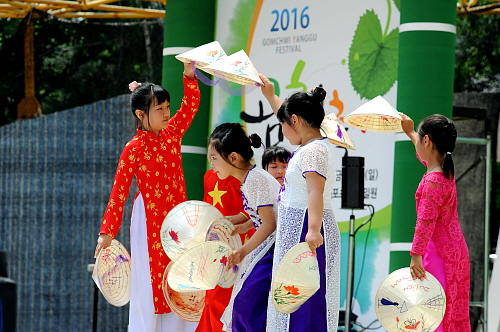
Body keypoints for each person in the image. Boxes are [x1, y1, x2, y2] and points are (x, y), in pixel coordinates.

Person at [93, 63, 200, 332]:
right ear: (141, 114)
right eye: (159, 109)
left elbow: (190, 106)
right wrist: (107, 232)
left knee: (179, 275)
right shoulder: (133, 148)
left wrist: (189, 74)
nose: (167, 113)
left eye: (167, 107)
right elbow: (119, 191)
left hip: (178, 219)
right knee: (149, 281)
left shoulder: (172, 133)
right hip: (148, 221)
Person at [260, 74, 341, 332]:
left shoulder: (314, 150)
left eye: (283, 123)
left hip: (307, 229)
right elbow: (287, 116)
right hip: (300, 228)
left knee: (305, 300)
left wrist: (314, 229)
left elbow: (315, 192)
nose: (281, 129)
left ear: (294, 121)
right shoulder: (310, 144)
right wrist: (270, 95)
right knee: (294, 294)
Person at [207, 123, 280, 332]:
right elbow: (263, 215)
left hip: (271, 251)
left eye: (214, 158)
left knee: (246, 306)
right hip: (265, 249)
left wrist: (241, 251)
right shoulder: (250, 179)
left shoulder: (255, 179)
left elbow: (270, 223)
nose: (211, 164)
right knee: (245, 307)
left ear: (232, 157)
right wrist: (243, 224)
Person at [401, 113, 471, 332]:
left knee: (433, 313)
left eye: (420, 138)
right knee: (449, 309)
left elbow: (425, 222)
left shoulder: (433, 180)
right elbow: (424, 155)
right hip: (455, 251)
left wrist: (415, 256)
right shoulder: (442, 170)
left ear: (428, 141)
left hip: (438, 253)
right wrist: (411, 132)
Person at [196, 169, 254, 332]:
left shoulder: (244, 176)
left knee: (228, 294)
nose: (213, 161)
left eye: (216, 156)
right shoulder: (208, 176)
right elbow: (206, 208)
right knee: (213, 295)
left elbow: (253, 210)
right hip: (214, 244)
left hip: (239, 242)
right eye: (211, 156)